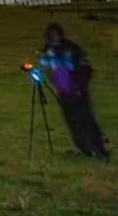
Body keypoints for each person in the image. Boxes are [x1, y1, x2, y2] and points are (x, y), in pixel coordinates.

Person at [40, 22, 108, 158]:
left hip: (78, 91)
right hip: (62, 92)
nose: (53, 37)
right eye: (50, 34)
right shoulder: (48, 49)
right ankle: (84, 149)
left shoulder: (71, 48)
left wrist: (80, 86)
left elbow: (86, 68)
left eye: (55, 34)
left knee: (86, 120)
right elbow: (46, 65)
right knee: (72, 122)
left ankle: (99, 149)